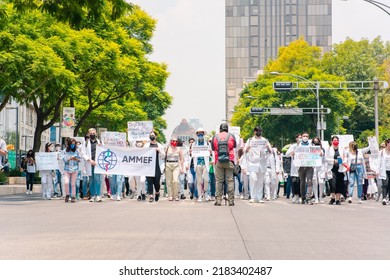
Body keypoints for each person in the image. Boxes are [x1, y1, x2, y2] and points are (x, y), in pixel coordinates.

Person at [244, 126, 272, 203]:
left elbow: (270, 151)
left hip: (262, 163)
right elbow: (244, 150)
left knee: (260, 181)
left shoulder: (265, 140)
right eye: (257, 131)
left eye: (260, 131)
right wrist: (248, 148)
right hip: (252, 163)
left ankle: (259, 197)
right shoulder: (250, 140)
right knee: (253, 178)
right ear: (254, 132)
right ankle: (252, 196)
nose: (259, 132)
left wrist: (267, 147)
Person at [212, 123, 237, 206]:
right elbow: (235, 146)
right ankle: (231, 201)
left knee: (219, 181)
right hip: (229, 160)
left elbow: (213, 148)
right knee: (230, 181)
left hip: (218, 160)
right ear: (227, 129)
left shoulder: (215, 136)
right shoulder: (231, 136)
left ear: (220, 129)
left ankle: (218, 200)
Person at [191, 128, 212, 202]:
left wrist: (210, 152)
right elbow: (192, 154)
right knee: (199, 181)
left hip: (205, 164)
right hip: (198, 164)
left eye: (201, 133)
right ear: (197, 134)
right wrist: (191, 152)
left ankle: (206, 193)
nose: (200, 135)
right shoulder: (194, 144)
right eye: (199, 133)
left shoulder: (207, 143)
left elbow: (211, 154)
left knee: (206, 180)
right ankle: (200, 196)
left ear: (203, 134)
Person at [144, 130, 165, 202]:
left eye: (153, 135)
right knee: (149, 181)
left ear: (156, 136)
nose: (151, 136)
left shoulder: (160, 146)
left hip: (157, 165)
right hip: (149, 165)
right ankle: (151, 196)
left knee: (156, 181)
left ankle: (157, 192)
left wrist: (159, 151)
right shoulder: (146, 145)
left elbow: (164, 156)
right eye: (150, 135)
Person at [326, 135, 346, 205]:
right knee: (332, 183)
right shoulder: (328, 149)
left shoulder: (342, 149)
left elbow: (345, 157)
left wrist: (342, 162)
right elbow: (325, 158)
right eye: (334, 140)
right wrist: (333, 161)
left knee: (339, 184)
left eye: (337, 140)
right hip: (332, 168)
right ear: (331, 141)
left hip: (340, 168)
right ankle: (332, 198)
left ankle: (338, 199)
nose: (336, 142)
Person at [83, 128, 102, 202]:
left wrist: (101, 146)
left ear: (96, 134)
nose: (92, 134)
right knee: (91, 180)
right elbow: (83, 153)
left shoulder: (100, 142)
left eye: (93, 133)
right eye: (91, 133)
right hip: (90, 163)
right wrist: (89, 160)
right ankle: (92, 195)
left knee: (97, 179)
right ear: (88, 134)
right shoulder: (86, 143)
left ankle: (98, 195)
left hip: (97, 163)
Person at [165, 137, 184, 201]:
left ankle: (176, 195)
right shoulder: (167, 148)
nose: (175, 142)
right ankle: (170, 195)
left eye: (176, 141)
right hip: (168, 165)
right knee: (169, 181)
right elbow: (163, 156)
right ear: (171, 141)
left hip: (176, 165)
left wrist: (182, 168)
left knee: (175, 180)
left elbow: (181, 159)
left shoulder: (179, 149)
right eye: (173, 141)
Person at [62, 138, 81, 203]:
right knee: (66, 182)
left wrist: (75, 158)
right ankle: (67, 194)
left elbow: (79, 159)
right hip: (67, 168)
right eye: (71, 144)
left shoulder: (77, 151)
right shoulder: (65, 151)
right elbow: (63, 159)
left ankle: (73, 196)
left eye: (74, 144)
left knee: (73, 183)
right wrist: (69, 158)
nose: (72, 145)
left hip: (75, 168)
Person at [286, 134, 302, 203]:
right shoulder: (293, 146)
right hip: (294, 167)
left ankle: (301, 196)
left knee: (301, 182)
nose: (300, 139)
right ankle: (295, 195)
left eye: (302, 137)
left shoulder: (305, 146)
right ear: (296, 138)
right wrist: (291, 152)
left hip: (302, 167)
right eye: (299, 137)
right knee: (294, 182)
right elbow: (287, 154)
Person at [312, 137, 326, 203]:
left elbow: (325, 159)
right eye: (314, 142)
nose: (316, 143)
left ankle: (320, 197)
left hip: (321, 167)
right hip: (314, 167)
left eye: (317, 142)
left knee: (321, 182)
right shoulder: (310, 149)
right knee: (315, 182)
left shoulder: (322, 149)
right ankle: (316, 197)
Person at [379, 138, 390, 205]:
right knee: (385, 183)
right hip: (384, 170)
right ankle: (384, 198)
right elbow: (378, 161)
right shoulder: (382, 152)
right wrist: (377, 170)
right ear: (387, 144)